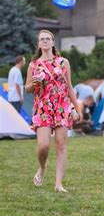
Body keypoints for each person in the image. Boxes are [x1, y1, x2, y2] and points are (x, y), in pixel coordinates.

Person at [25, 30, 82, 193]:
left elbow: (69, 86)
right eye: (41, 39)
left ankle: (58, 184)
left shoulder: (63, 62)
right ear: (38, 44)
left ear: (53, 42)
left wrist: (76, 108)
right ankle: (42, 167)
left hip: (61, 107)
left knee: (61, 145)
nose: (44, 41)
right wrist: (34, 83)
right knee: (43, 146)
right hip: (42, 108)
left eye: (47, 39)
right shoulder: (33, 65)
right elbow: (27, 88)